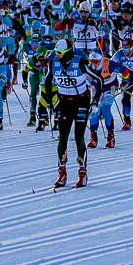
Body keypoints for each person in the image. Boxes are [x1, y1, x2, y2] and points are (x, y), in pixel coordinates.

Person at [47, 39, 91, 188]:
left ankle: (82, 173)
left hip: (81, 101)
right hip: (64, 101)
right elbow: (47, 81)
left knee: (79, 135)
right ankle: (62, 172)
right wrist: (49, 102)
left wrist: (96, 101)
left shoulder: (80, 62)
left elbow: (98, 79)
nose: (57, 55)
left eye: (60, 53)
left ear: (67, 53)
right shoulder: (53, 62)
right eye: (56, 52)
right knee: (63, 137)